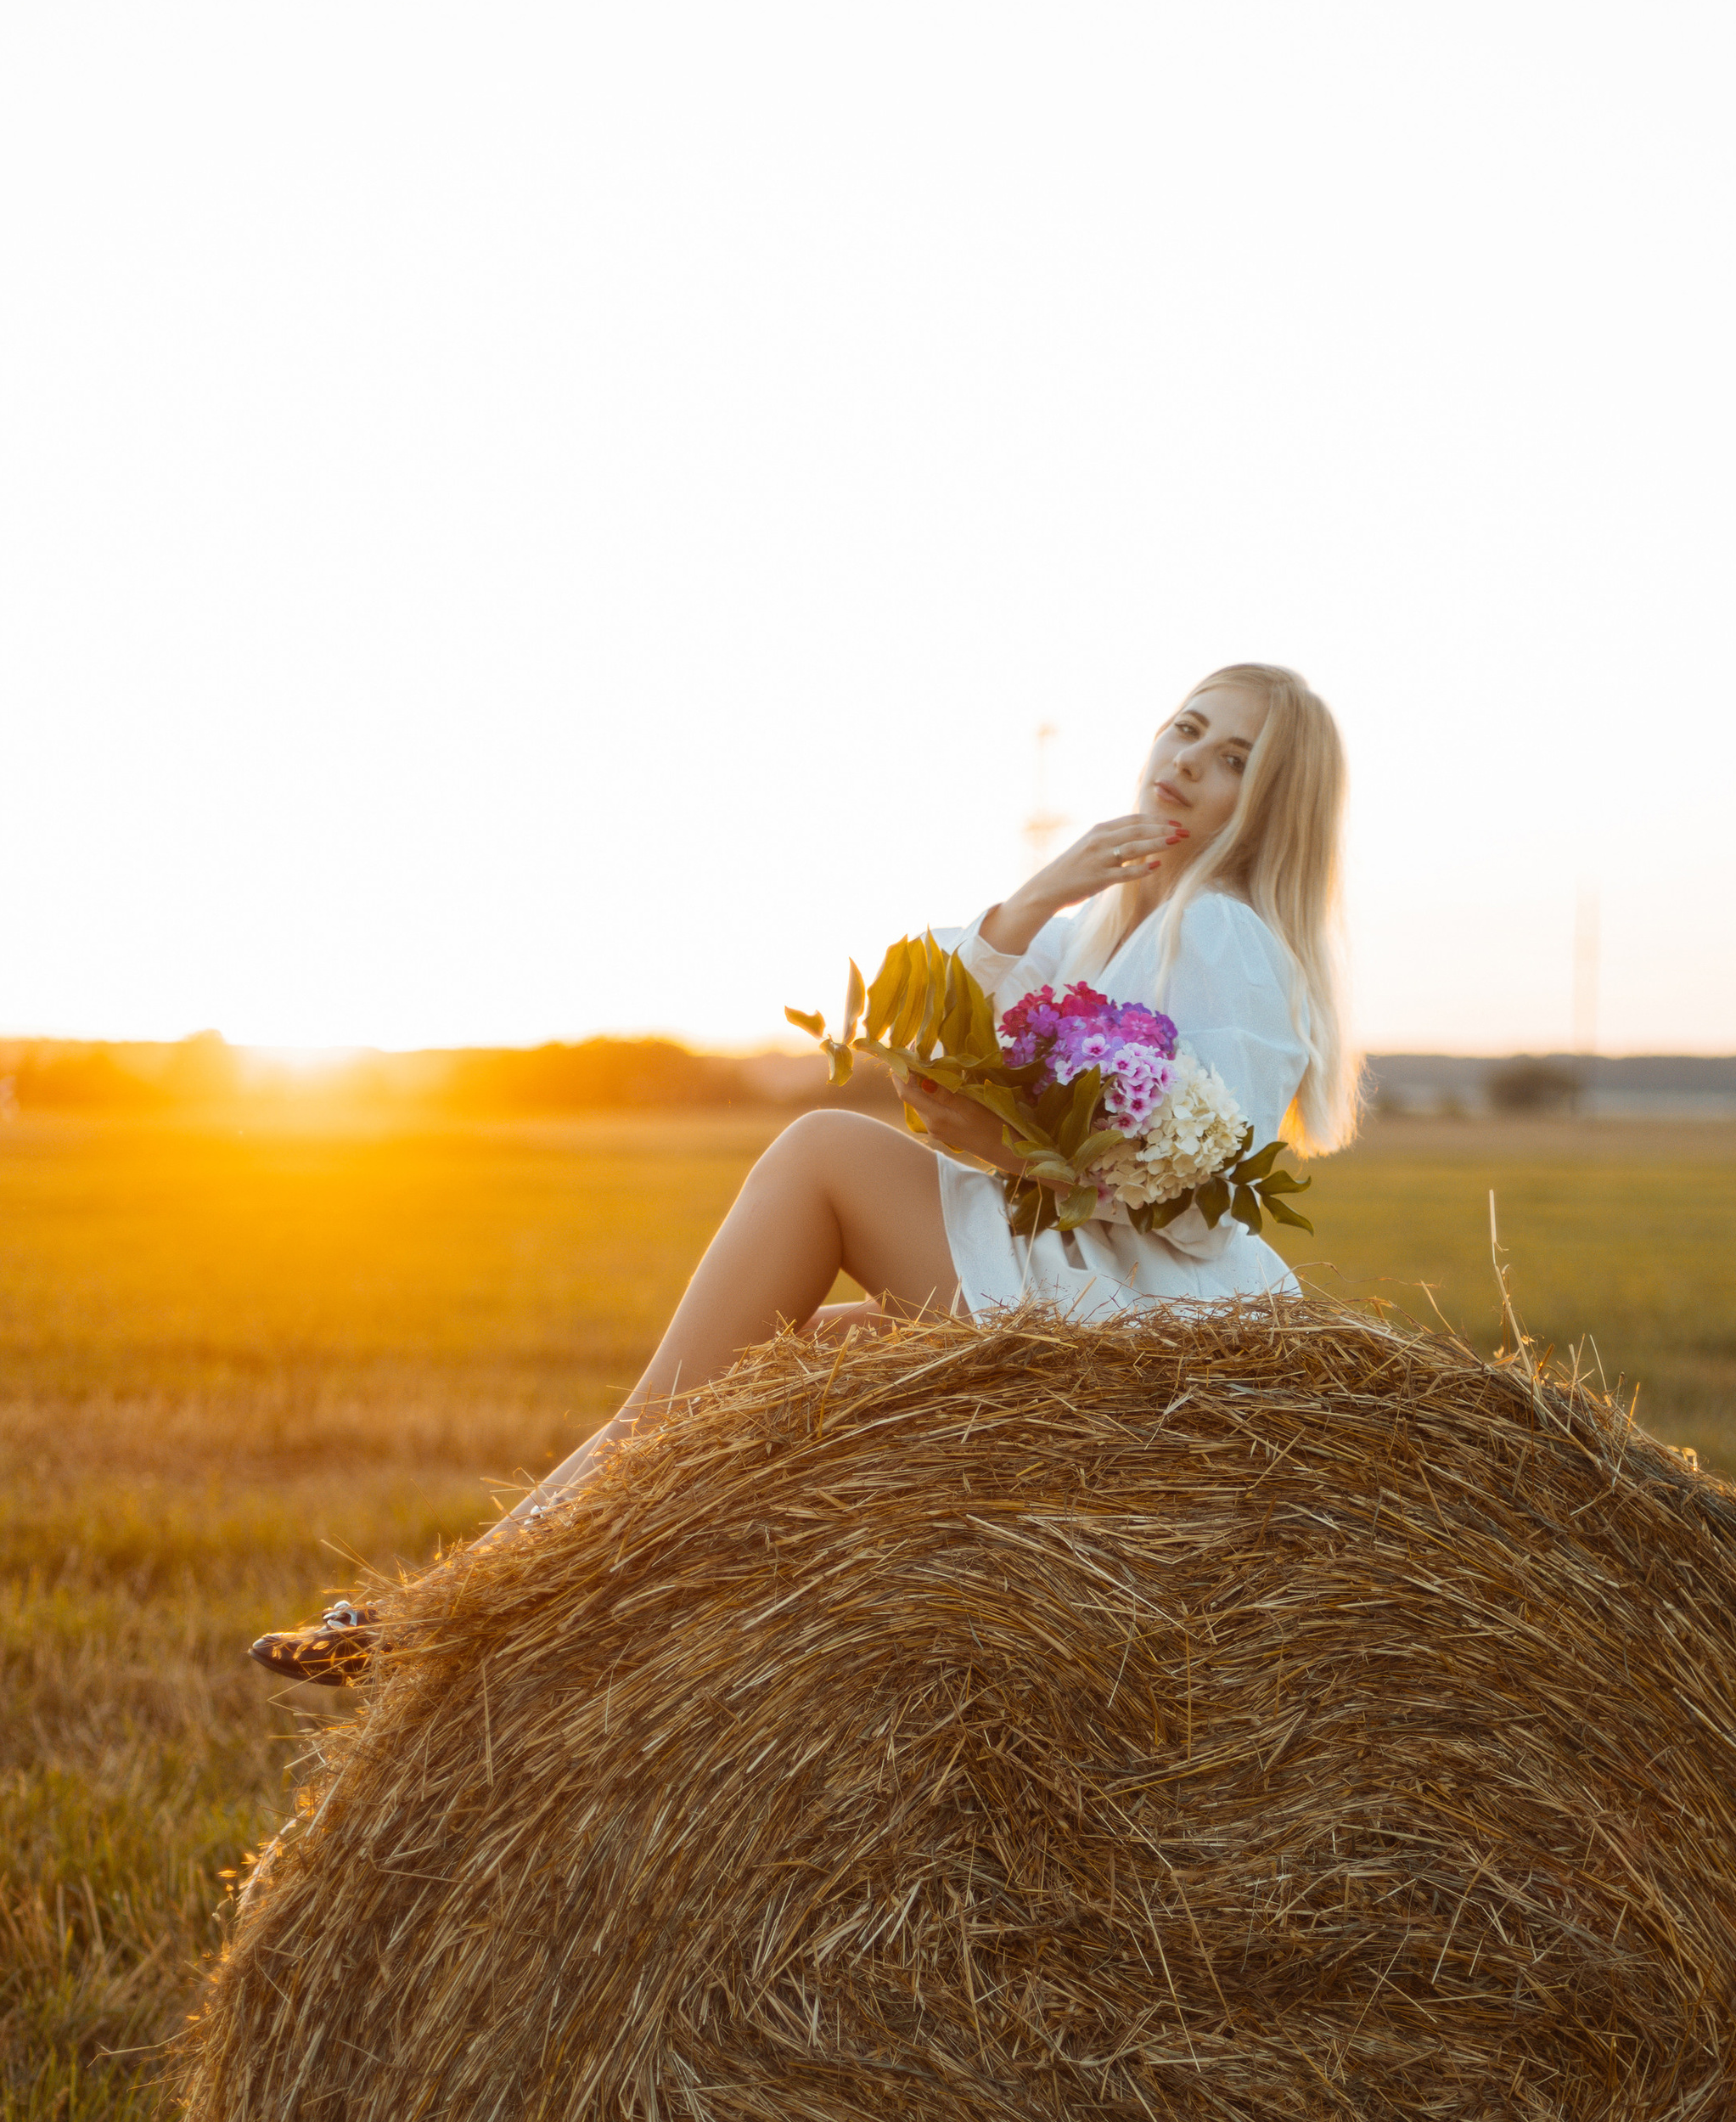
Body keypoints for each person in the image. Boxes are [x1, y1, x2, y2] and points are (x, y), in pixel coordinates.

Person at [252, 661, 1359, 1683]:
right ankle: (515, 1617)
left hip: (1145, 1325)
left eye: (1232, 761)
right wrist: (1031, 902)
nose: (1185, 763)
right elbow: (920, 1007)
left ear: (1273, 806)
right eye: (1186, 728)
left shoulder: (1224, 936)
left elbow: (1210, 1199)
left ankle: (454, 1611)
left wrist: (1008, 1145)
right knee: (791, 1368)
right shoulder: (1107, 926)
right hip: (1078, 1274)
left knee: (812, 1167)